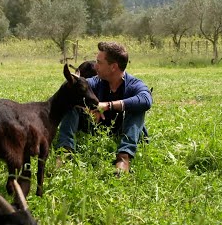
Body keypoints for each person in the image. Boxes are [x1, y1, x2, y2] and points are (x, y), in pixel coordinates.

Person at [56, 41, 153, 175]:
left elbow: (146, 100)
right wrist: (89, 109)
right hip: (95, 126)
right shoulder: (94, 82)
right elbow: (69, 90)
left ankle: (123, 158)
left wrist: (107, 106)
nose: (95, 66)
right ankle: (65, 152)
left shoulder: (134, 84)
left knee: (137, 108)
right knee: (71, 101)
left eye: (99, 62)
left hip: (121, 128)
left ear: (113, 67)